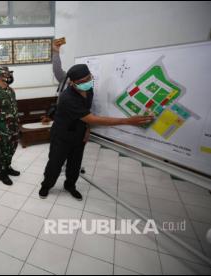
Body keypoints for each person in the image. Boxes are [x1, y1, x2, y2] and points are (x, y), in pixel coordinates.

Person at [39, 42, 154, 200]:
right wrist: (128, 121)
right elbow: (91, 117)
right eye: (84, 81)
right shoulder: (67, 98)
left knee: (75, 165)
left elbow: (87, 114)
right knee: (55, 164)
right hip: (62, 136)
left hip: (79, 135)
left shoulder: (89, 89)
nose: (89, 82)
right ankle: (46, 185)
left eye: (90, 78)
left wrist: (87, 130)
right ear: (72, 83)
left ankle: (70, 185)